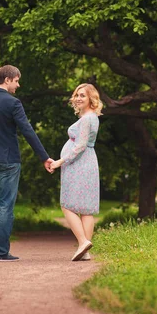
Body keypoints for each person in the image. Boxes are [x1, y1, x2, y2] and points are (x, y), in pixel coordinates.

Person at [0, 65, 54, 262]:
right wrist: (44, 157)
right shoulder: (13, 103)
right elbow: (27, 131)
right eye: (16, 80)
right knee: (5, 206)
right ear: (7, 80)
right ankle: (1, 252)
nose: (18, 84)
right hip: (9, 161)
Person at [50, 83, 102, 261]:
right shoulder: (92, 117)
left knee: (67, 205)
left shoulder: (87, 119)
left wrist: (59, 162)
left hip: (79, 164)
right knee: (86, 210)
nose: (78, 98)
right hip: (87, 163)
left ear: (91, 99)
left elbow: (80, 146)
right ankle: (85, 251)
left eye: (83, 95)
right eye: (77, 95)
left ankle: (82, 242)